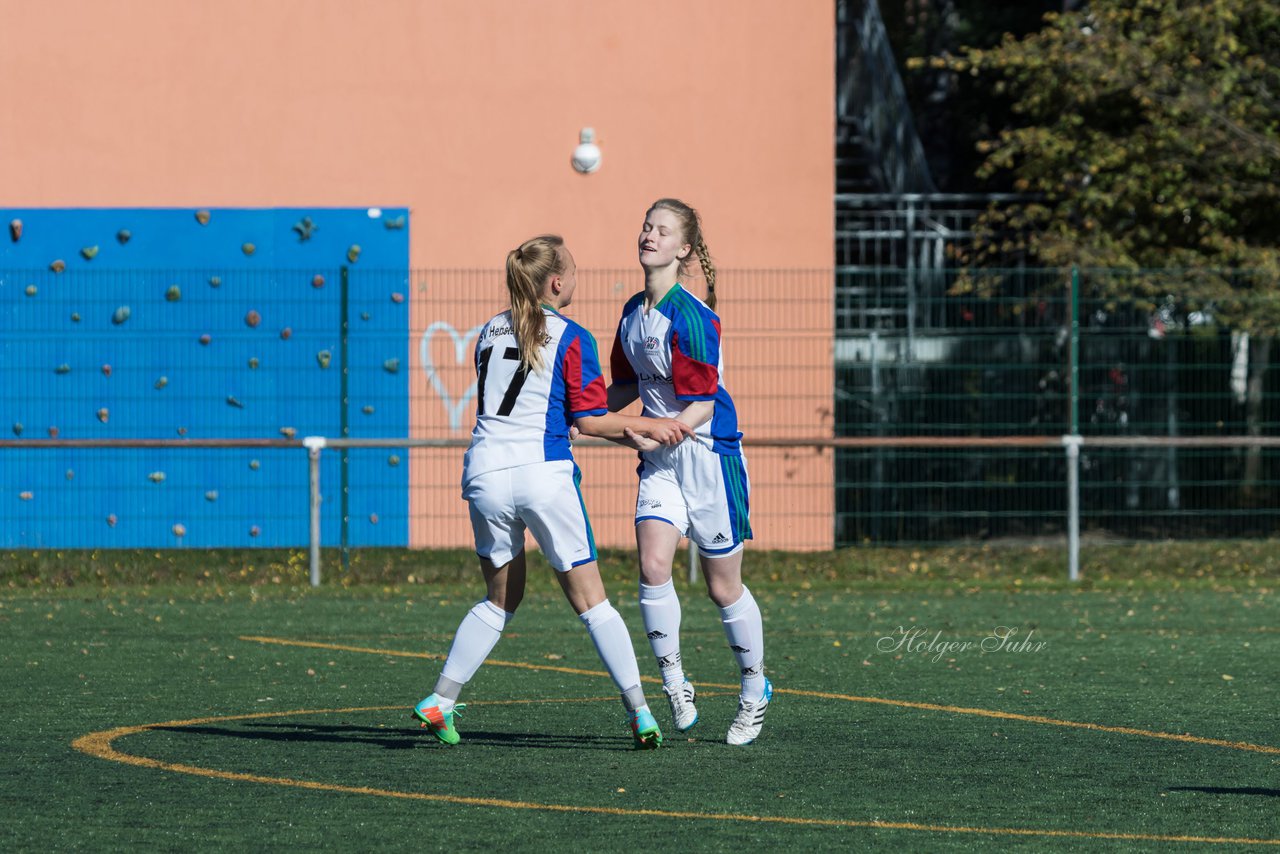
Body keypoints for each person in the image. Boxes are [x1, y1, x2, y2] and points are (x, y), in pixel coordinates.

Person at [412, 234, 693, 750]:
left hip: (484, 472)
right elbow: (586, 420)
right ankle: (642, 714)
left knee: (499, 600)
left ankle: (440, 700)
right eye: (576, 271)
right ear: (557, 282)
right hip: (542, 473)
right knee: (592, 603)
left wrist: (623, 425)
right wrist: (651, 425)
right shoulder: (572, 335)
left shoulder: (489, 332)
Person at [607, 198, 772, 746]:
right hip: (661, 456)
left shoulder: (693, 316)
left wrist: (664, 426)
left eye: (661, 230)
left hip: (708, 455)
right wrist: (576, 410)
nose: (648, 235)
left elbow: (701, 404)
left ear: (684, 249)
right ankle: (677, 684)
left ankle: (754, 692)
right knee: (653, 566)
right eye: (645, 226)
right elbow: (625, 386)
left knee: (722, 588)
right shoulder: (632, 312)